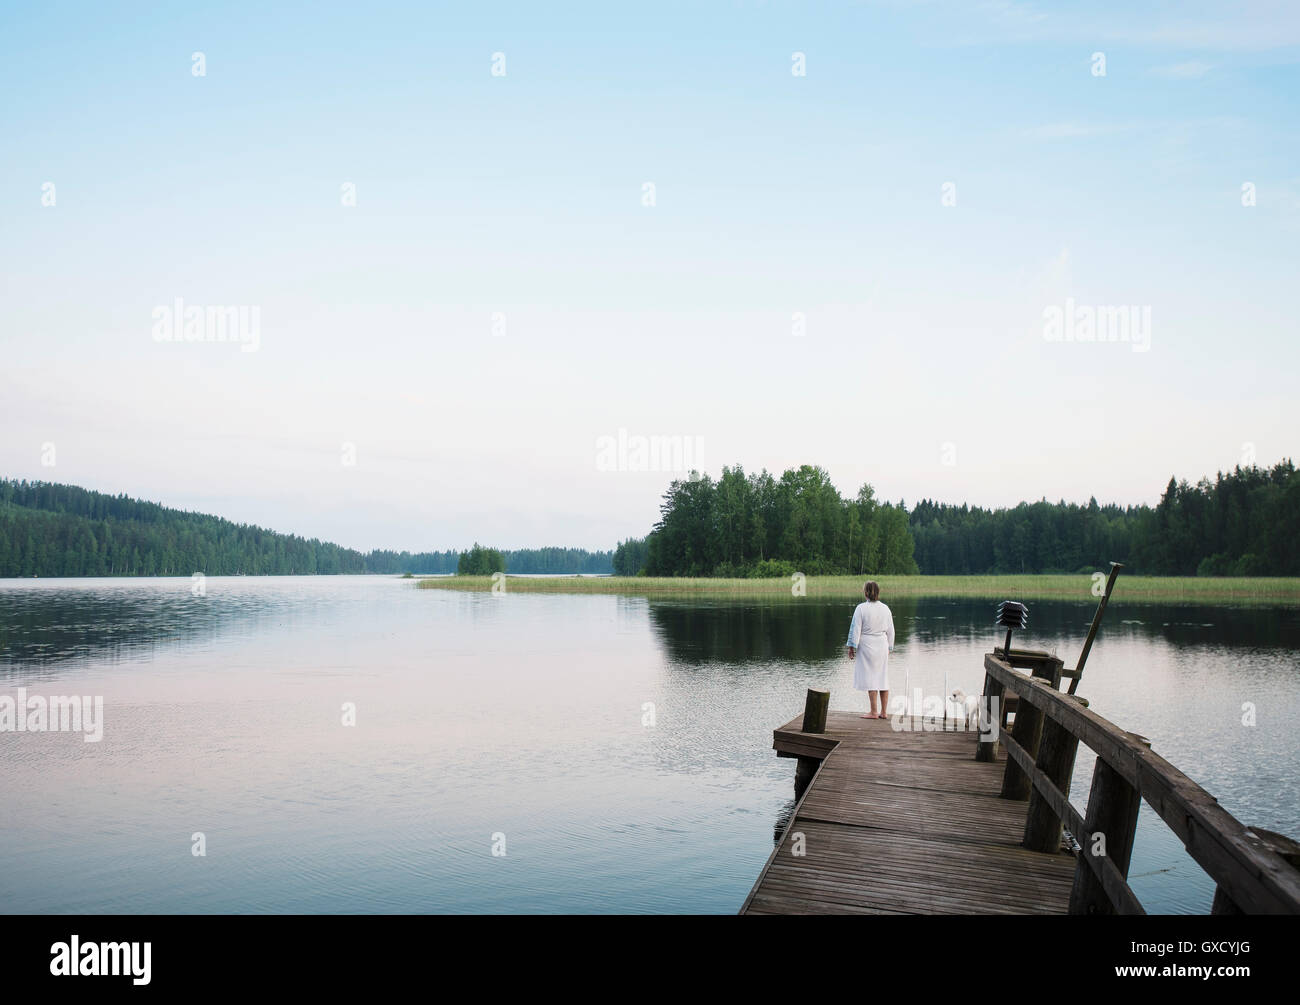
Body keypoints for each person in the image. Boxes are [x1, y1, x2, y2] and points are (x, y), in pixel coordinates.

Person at [845, 580, 896, 719]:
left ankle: (874, 712)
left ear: (866, 592)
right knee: (882, 677)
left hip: (867, 645)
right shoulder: (886, 608)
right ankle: (884, 712)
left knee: (871, 677)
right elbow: (891, 630)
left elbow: (855, 629)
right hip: (882, 644)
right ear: (878, 592)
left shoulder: (861, 608)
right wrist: (889, 647)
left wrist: (851, 647)